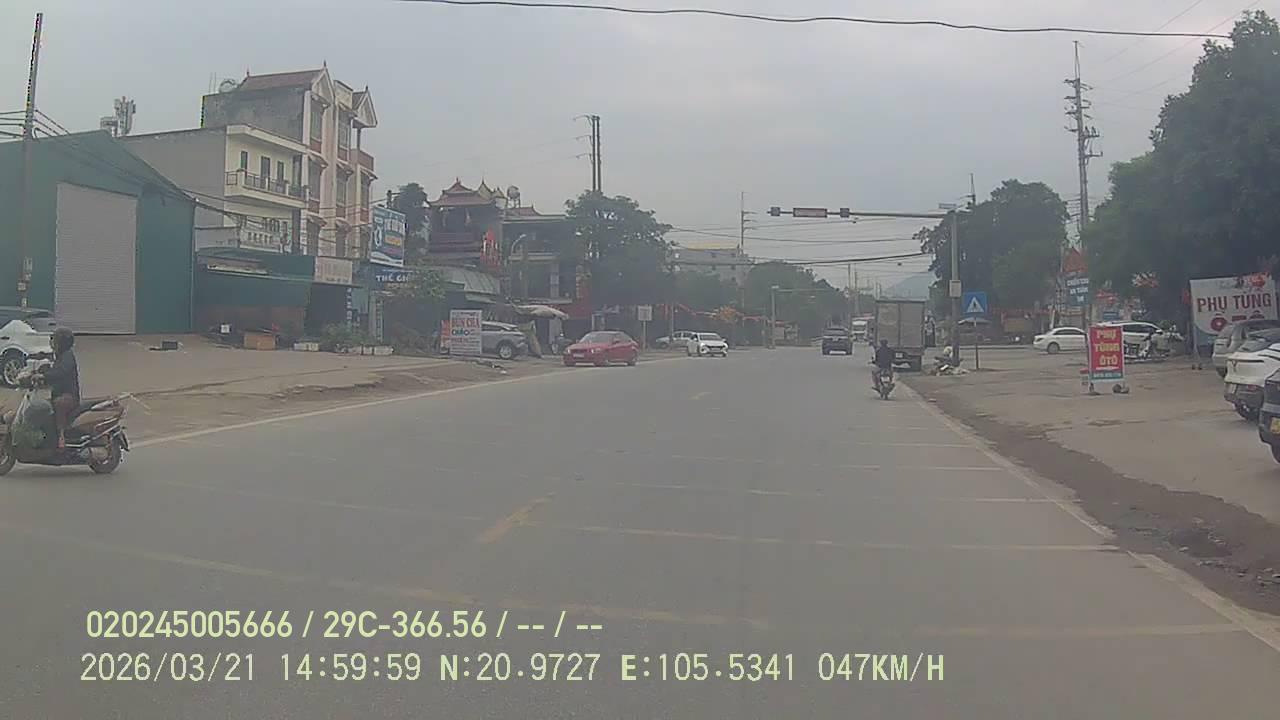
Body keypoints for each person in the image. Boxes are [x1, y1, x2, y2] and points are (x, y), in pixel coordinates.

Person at [37, 327, 79, 449]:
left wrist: (44, 376)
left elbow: (60, 372)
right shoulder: (60, 355)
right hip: (59, 393)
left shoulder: (67, 356)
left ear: (62, 343)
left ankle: (61, 436)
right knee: (41, 407)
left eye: (55, 340)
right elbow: (50, 366)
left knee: (59, 404)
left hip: (69, 396)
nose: (53, 343)